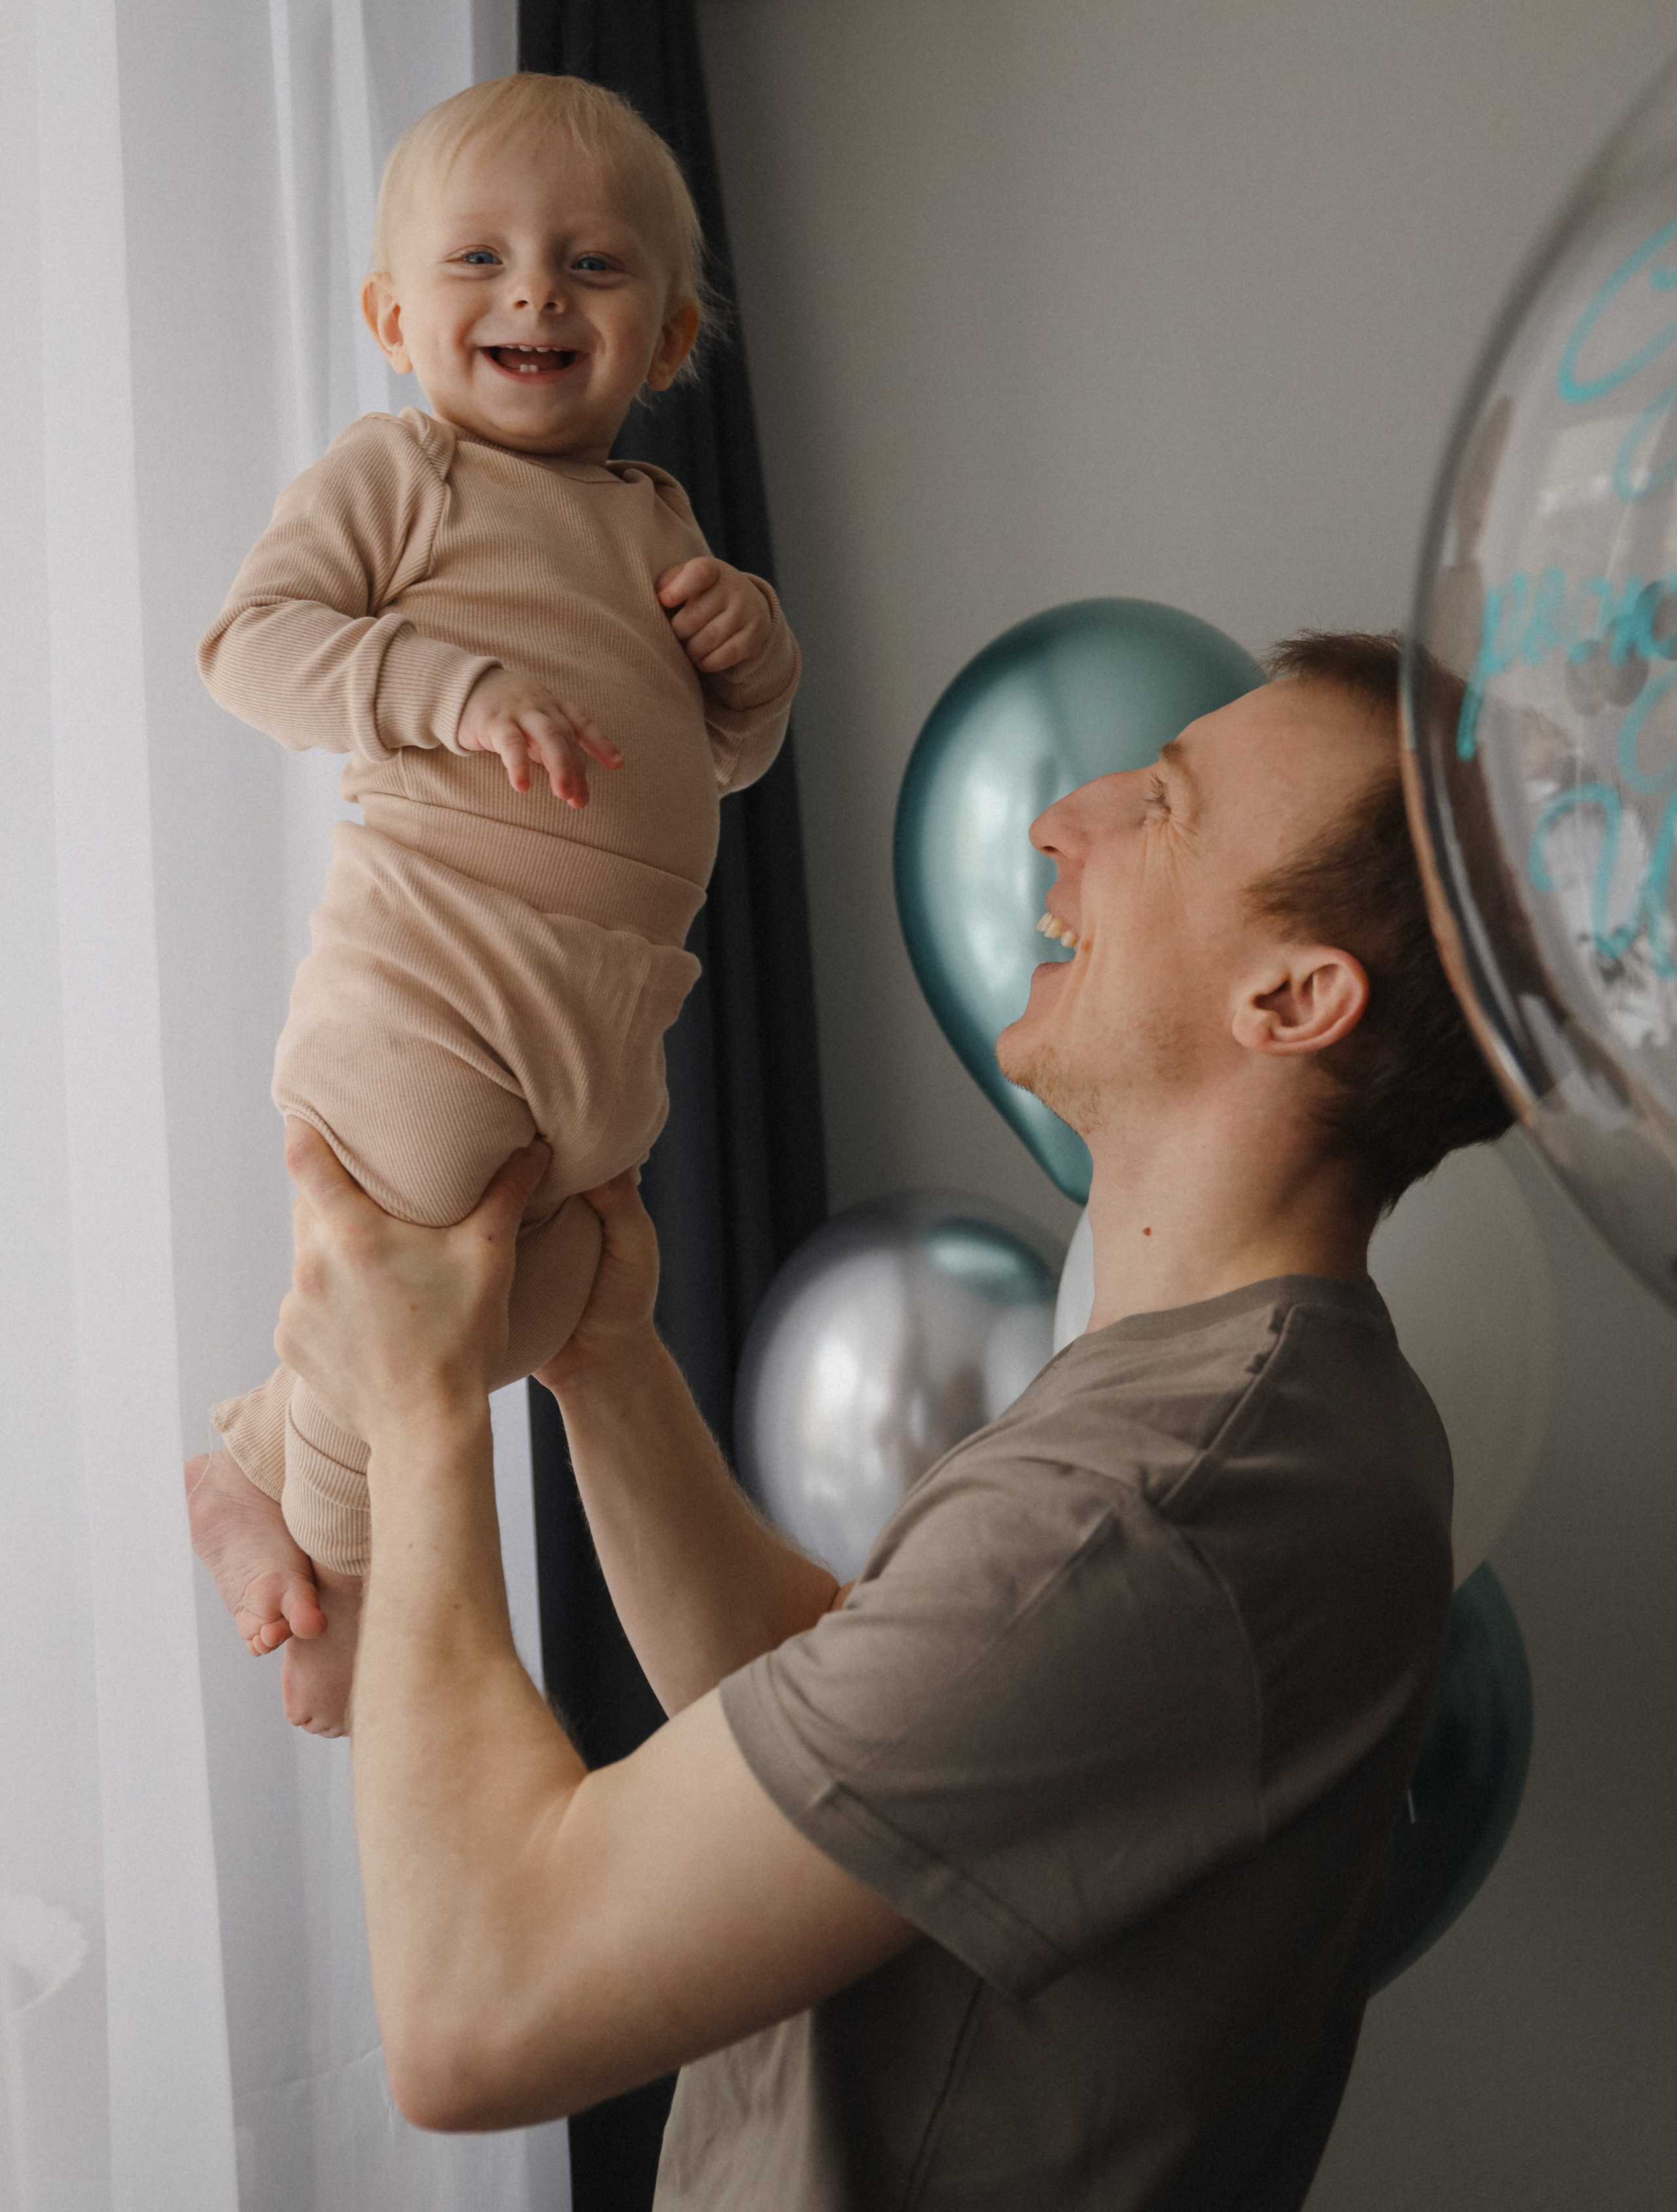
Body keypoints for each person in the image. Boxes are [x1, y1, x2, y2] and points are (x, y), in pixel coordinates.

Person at [265, 632, 1511, 2210]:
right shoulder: (1254, 1406)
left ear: (1291, 996)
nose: (1067, 816)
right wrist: (608, 1359)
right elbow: (865, 1735)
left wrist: (414, 1408)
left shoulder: (1172, 1497)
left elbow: (471, 2016)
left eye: (1166, 807)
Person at [185, 73, 800, 1735]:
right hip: (431, 972)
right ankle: (330, 1561)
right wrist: (434, 689)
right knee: (407, 1283)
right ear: (396, 314)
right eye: (479, 259)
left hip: (601, 1006)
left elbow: (717, 766)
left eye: (591, 268)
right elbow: (249, 644)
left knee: (548, 1308)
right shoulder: (404, 475)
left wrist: (755, 665)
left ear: (667, 339)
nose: (533, 291)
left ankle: (257, 1445)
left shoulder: (662, 525)